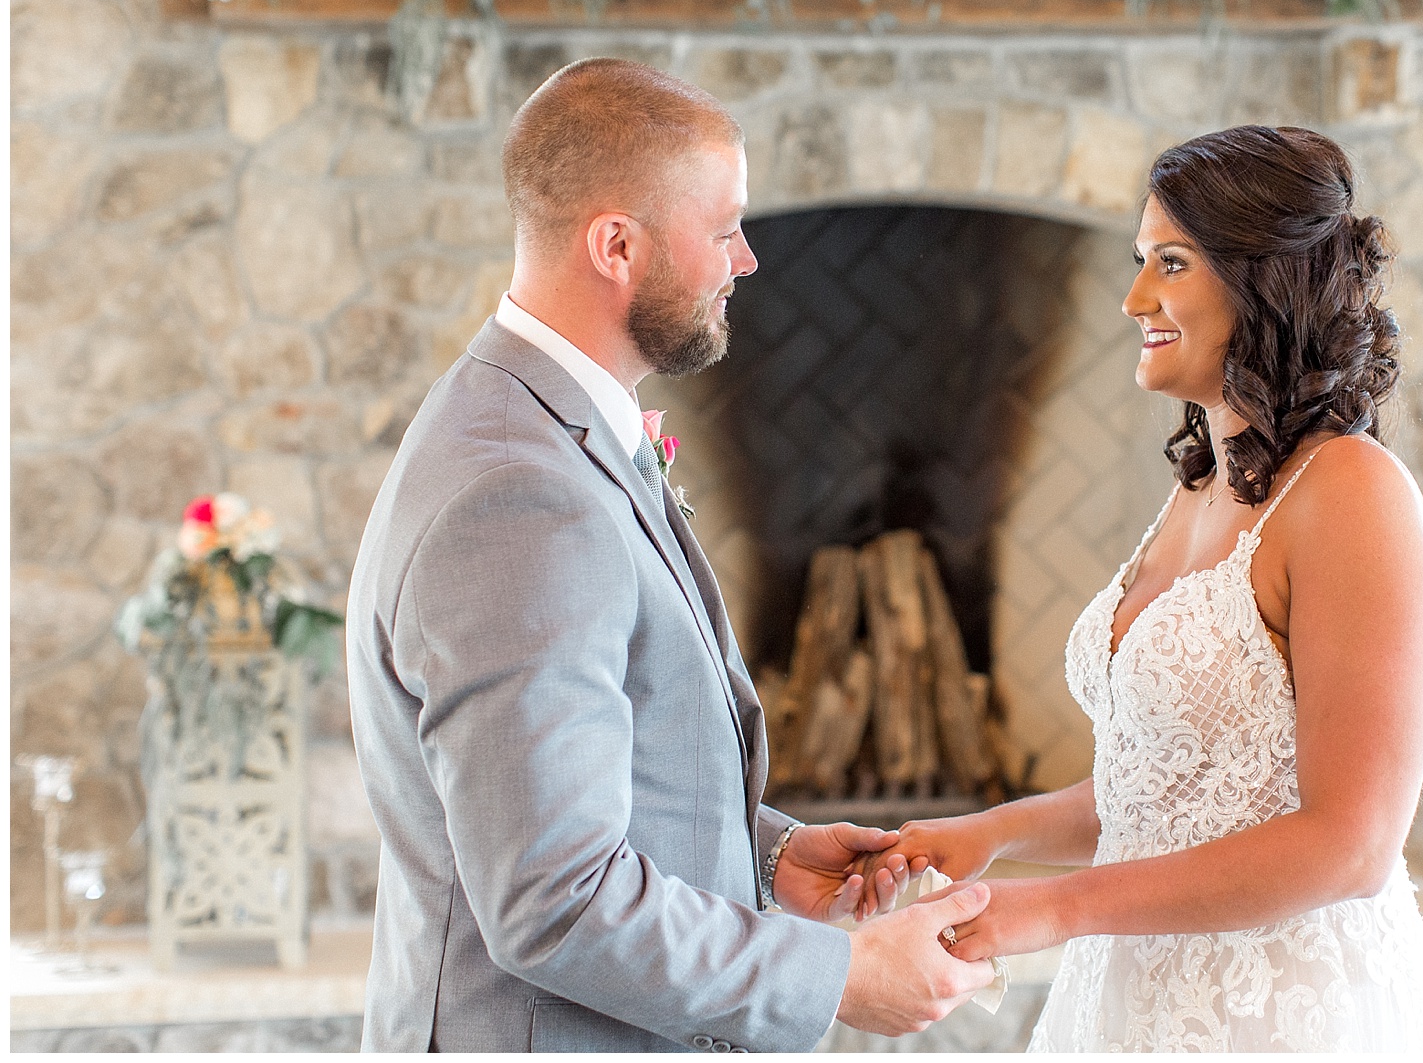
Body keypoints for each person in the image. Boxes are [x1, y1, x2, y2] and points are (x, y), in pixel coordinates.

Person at [345, 58, 996, 1052]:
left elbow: (572, 776)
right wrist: (839, 976)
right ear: (617, 245)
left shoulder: (533, 422)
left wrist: (761, 853)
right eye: (724, 228)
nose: (747, 260)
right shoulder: (518, 494)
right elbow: (556, 898)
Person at [861, 126, 1423, 1052]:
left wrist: (1057, 906)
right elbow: (1169, 791)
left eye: (1172, 263)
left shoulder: (1353, 492)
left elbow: (1351, 845)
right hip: (1133, 1003)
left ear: (1262, 281)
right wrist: (989, 832)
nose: (1135, 297)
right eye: (1139, 260)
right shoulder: (1201, 486)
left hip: (1283, 1017)